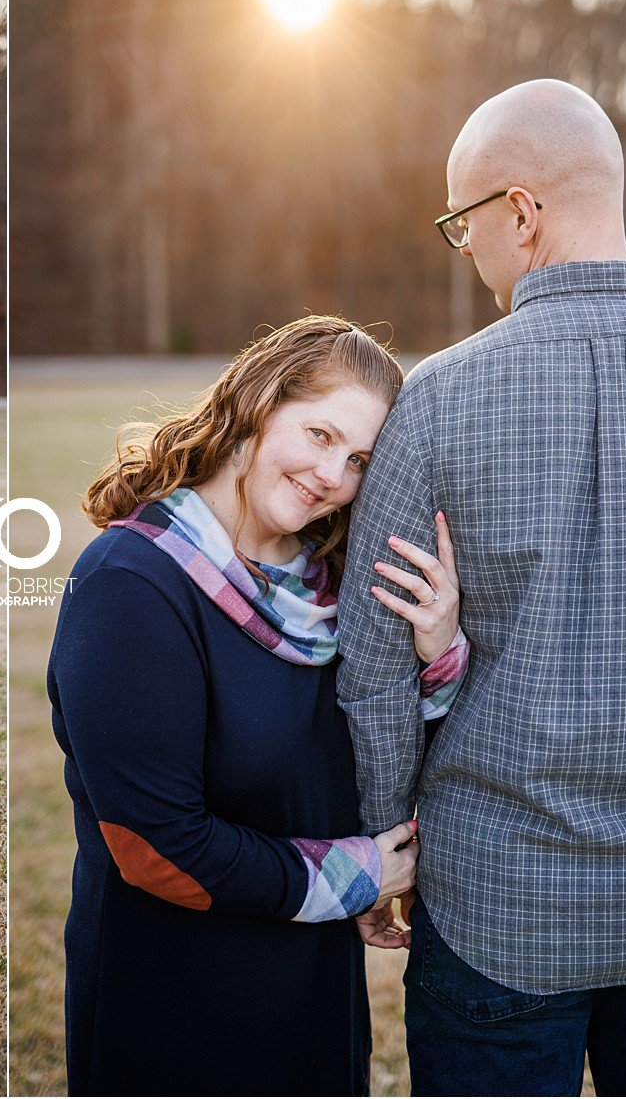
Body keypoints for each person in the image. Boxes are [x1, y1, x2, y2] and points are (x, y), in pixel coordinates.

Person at [337, 79, 626, 1097]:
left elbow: (371, 667)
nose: (464, 251)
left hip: (495, 906)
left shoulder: (436, 402)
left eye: (463, 223)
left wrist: (389, 842)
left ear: (520, 210)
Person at [47, 316, 471, 1096]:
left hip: (311, 984)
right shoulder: (132, 583)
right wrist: (358, 873)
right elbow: (156, 846)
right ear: (257, 401)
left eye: (357, 459)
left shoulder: (331, 580)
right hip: (178, 995)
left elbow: (393, 751)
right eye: (317, 433)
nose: (330, 475)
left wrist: (437, 644)